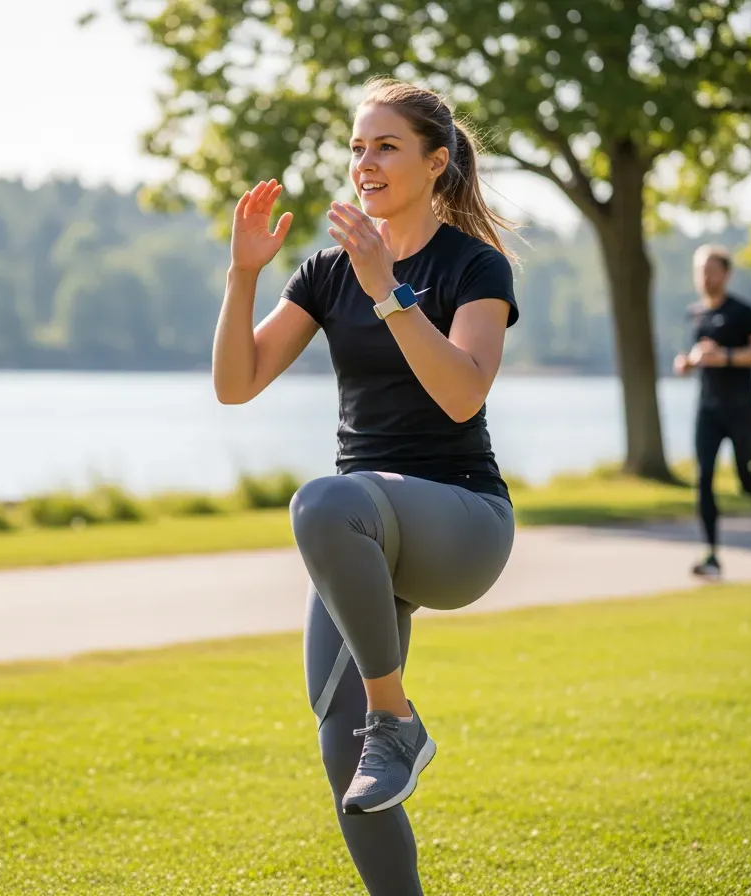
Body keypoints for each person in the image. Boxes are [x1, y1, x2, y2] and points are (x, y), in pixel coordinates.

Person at [212, 77, 520, 895]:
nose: (365, 164)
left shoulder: (474, 266)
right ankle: (383, 738)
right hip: (359, 534)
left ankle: (396, 716)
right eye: (356, 148)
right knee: (342, 751)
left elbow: (462, 393)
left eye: (386, 146)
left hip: (461, 522)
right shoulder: (326, 271)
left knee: (323, 500)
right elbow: (236, 385)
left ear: (436, 162)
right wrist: (243, 274)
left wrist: (388, 290)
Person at [673, 244, 751, 579]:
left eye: (711, 270)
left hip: (741, 409)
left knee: (745, 480)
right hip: (708, 410)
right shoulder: (695, 313)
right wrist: (687, 363)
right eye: (700, 270)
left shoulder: (742, 312)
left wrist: (723, 356)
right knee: (704, 479)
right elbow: (694, 356)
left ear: (726, 274)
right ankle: (712, 556)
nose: (704, 277)